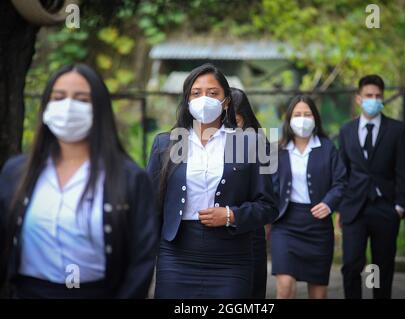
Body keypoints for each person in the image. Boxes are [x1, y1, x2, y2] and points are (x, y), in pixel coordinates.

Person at [0, 64, 160, 299]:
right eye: (59, 97)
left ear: (99, 109)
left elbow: (142, 261)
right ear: (46, 106)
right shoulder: (16, 173)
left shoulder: (130, 178)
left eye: (82, 99)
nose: (68, 106)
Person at [147, 63, 278, 299]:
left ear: (226, 100)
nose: (204, 99)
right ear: (187, 99)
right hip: (176, 255)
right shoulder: (167, 143)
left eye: (213, 93)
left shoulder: (248, 143)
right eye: (196, 93)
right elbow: (150, 207)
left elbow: (268, 206)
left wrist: (231, 215)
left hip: (231, 257)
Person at [338, 74, 405, 299]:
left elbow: (403, 170)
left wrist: (399, 207)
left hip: (385, 208)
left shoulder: (396, 130)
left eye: (378, 96)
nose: (374, 99)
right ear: (359, 98)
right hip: (354, 208)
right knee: (351, 264)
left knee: (380, 268)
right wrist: (341, 207)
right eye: (369, 95)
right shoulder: (346, 130)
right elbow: (343, 172)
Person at [271, 95, 346, 299]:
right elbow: (267, 186)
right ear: (288, 118)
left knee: (319, 294)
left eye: (307, 114)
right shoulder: (277, 150)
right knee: (284, 287)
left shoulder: (327, 148)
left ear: (315, 119)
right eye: (297, 114)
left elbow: (341, 182)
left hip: (318, 226)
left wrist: (329, 204)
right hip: (285, 224)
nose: (302, 119)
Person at [231, 87, 268, 299]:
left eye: (234, 121)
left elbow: (269, 194)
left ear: (244, 118)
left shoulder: (259, 143)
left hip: (249, 227)